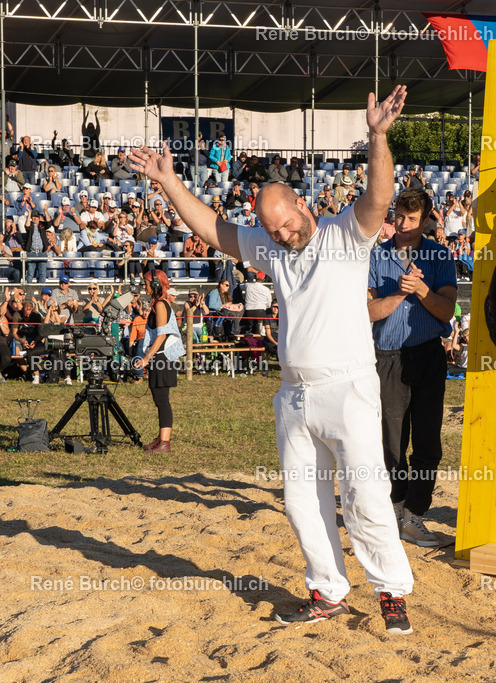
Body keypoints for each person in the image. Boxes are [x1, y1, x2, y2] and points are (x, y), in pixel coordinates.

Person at [128, 84, 415, 634]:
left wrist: (378, 137)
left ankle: (390, 591)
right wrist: (168, 182)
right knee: (303, 502)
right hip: (295, 394)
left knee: (365, 494)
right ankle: (327, 590)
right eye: (273, 228)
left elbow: (378, 199)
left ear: (303, 205)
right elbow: (213, 229)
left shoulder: (344, 234)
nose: (282, 234)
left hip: (349, 386)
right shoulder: (271, 247)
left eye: (286, 222)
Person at [367, 187, 458, 548]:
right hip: (386, 357)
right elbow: (366, 312)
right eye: (399, 217)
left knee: (427, 443)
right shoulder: (376, 257)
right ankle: (395, 506)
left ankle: (415, 516)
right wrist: (400, 295)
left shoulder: (439, 255)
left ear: (426, 220)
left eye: (412, 219)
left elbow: (447, 311)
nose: (403, 225)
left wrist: (420, 288)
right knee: (389, 444)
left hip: (427, 355)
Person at [134, 269, 185, 453]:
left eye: (146, 284)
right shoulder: (157, 304)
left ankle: (165, 443)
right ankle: (161, 438)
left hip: (162, 358)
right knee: (158, 399)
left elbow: (162, 334)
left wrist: (147, 358)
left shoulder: (162, 305)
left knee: (163, 400)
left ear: (156, 285)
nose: (144, 287)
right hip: (158, 357)